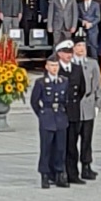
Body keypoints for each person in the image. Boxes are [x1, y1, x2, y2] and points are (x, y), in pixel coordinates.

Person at [30, 54, 70, 189]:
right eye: (52, 66)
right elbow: (34, 101)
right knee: (46, 148)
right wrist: (41, 114)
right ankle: (45, 174)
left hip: (60, 117)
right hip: (47, 117)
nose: (54, 68)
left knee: (60, 148)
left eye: (56, 66)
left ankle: (59, 173)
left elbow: (67, 100)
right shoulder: (41, 82)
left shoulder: (64, 81)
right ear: (46, 67)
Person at [55, 39, 87, 184]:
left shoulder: (77, 68)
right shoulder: (55, 69)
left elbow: (82, 89)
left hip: (73, 112)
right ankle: (58, 174)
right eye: (65, 52)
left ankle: (73, 174)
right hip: (60, 112)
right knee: (60, 146)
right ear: (59, 54)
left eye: (70, 52)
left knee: (73, 145)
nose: (68, 55)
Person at [72, 37, 101, 180]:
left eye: (83, 45)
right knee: (72, 140)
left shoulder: (92, 63)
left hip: (88, 106)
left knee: (87, 139)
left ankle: (86, 166)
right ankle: (72, 168)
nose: (81, 48)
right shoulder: (69, 64)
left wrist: (98, 104)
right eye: (78, 45)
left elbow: (97, 86)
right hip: (75, 107)